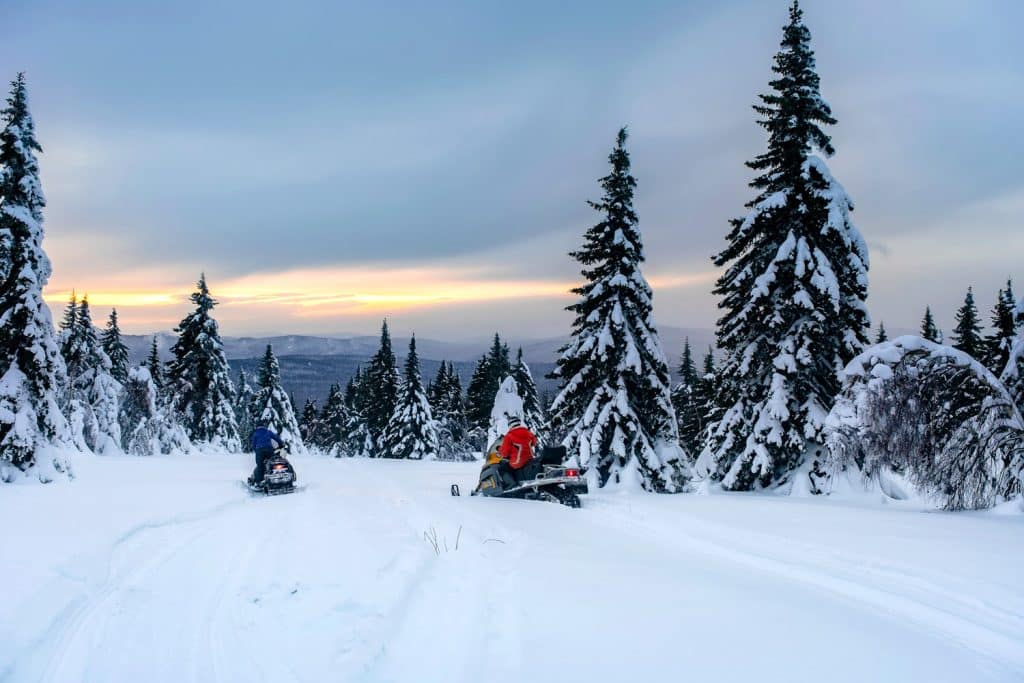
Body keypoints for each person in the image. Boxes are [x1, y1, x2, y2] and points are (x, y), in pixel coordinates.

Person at [495, 416, 538, 488]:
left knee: (502, 468)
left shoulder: (509, 436)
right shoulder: (529, 433)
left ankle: (511, 485)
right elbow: (534, 443)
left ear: (510, 425)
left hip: (518, 462)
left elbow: (505, 453)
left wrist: (499, 449)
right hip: (530, 459)